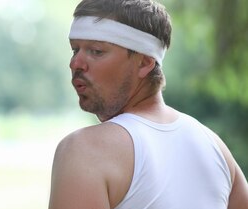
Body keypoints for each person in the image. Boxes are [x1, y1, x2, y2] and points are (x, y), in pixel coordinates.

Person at [49, 0, 248, 208]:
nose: (75, 64)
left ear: (144, 63)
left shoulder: (84, 150)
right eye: (75, 50)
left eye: (96, 51)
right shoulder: (214, 147)